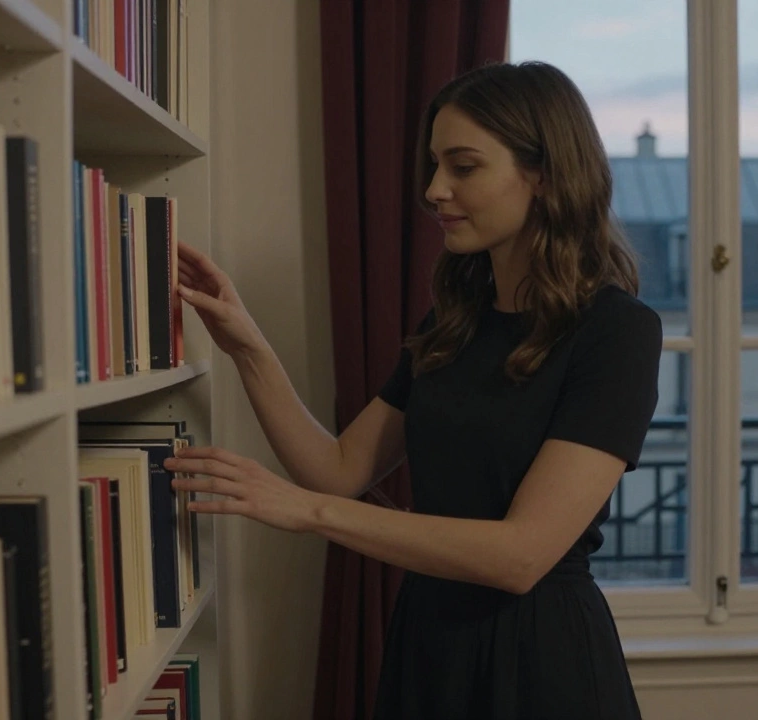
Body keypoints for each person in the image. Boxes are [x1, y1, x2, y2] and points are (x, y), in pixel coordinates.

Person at [165, 60, 662, 719]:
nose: (434, 189)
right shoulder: (454, 324)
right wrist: (246, 344)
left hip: (538, 661)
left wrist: (303, 514)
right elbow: (337, 470)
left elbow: (520, 557)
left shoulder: (617, 332)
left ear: (542, 174)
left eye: (463, 166)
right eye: (434, 166)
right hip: (428, 646)